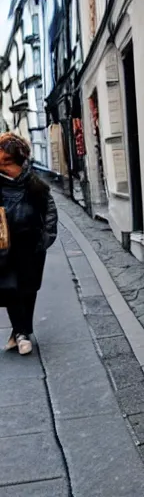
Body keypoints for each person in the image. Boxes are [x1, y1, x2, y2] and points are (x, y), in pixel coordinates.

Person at [0, 133, 58, 355]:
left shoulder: (35, 185)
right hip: (6, 248)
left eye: (8, 162)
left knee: (29, 288)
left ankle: (20, 333)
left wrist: (45, 240)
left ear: (20, 161)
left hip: (31, 245)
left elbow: (50, 212)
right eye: (1, 163)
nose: (4, 168)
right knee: (10, 289)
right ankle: (22, 333)